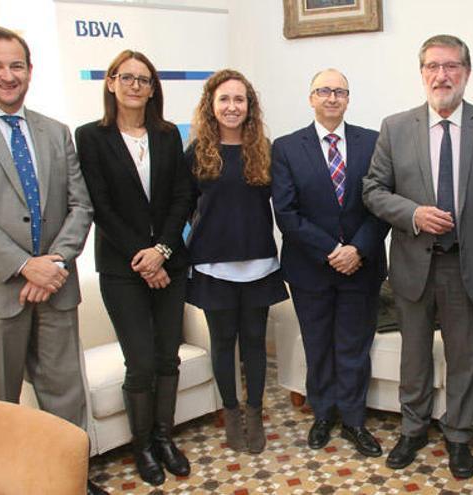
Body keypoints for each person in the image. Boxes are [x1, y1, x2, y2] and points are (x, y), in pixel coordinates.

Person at [0, 26, 105, 495]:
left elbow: (82, 206)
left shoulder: (54, 132)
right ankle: (6, 486)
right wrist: (22, 265)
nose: (7, 75)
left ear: (30, 71)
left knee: (66, 396)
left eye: (16, 65)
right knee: (0, 404)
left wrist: (51, 264)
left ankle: (71, 482)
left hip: (53, 288)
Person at [362, 34, 473, 479]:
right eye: (433, 66)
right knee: (413, 353)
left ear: (467, 72)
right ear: (422, 73)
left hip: (469, 265)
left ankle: (459, 436)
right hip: (414, 262)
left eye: (451, 66)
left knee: (466, 354)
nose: (442, 75)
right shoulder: (395, 127)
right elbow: (373, 190)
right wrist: (412, 214)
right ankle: (412, 429)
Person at [75, 50, 194, 486]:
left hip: (169, 263)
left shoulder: (166, 135)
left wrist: (162, 250)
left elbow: (183, 196)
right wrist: (144, 258)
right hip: (123, 268)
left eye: (144, 80)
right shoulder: (90, 136)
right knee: (141, 360)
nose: (135, 86)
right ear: (110, 82)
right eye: (127, 77)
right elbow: (100, 206)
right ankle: (142, 445)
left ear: (152, 88)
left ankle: (165, 438)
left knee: (168, 357)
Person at [271, 69, 387, 457]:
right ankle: (323, 414)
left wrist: (357, 249)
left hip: (362, 265)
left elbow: (382, 204)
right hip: (310, 268)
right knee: (318, 343)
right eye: (324, 90)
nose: (332, 98)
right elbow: (286, 213)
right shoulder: (287, 147)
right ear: (311, 98)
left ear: (348, 99)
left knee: (354, 345)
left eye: (339, 91)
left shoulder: (373, 142)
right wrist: (332, 251)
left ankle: (354, 420)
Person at [185, 69, 288, 455]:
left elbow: (286, 203)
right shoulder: (196, 153)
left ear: (250, 106)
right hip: (213, 266)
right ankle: (231, 413)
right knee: (223, 343)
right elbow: (180, 207)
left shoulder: (264, 148)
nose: (232, 106)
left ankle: (255, 412)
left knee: (255, 344)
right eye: (224, 99)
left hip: (259, 263)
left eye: (239, 100)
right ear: (212, 105)